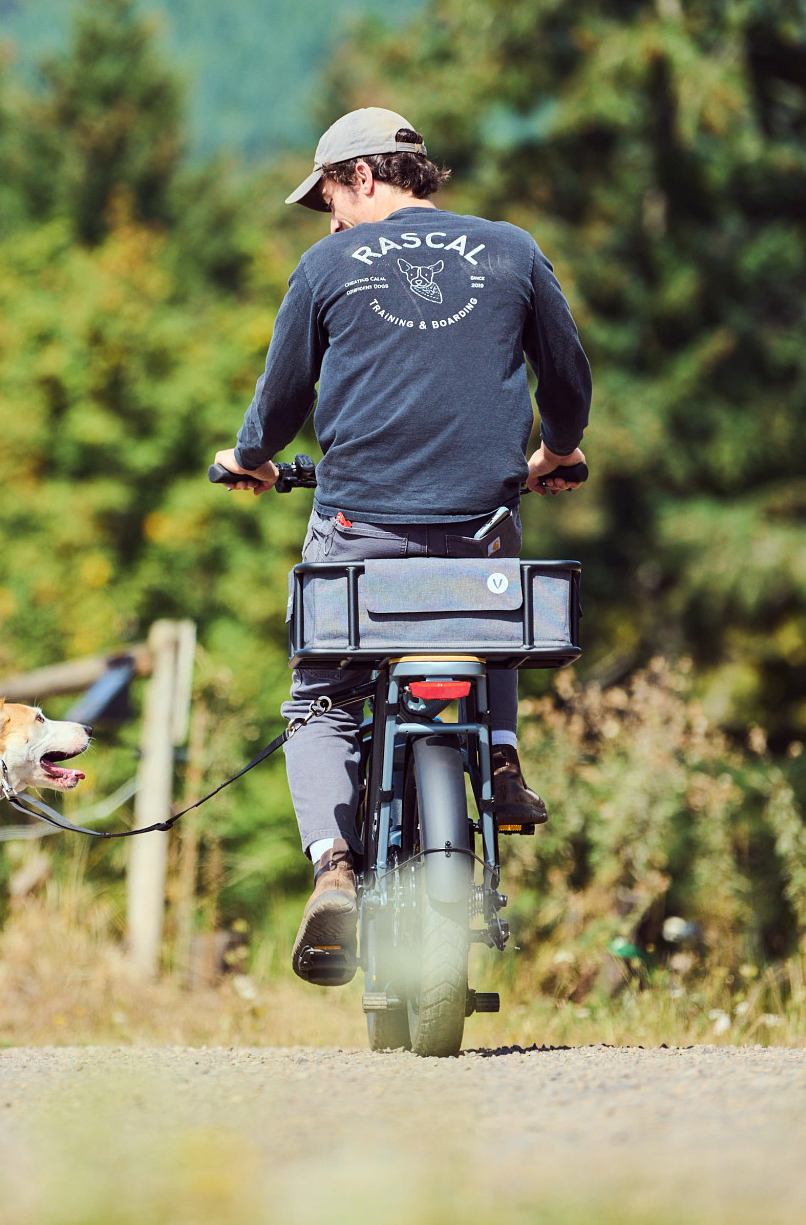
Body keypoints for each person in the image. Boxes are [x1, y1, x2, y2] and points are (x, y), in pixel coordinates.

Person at [214, 107, 593, 985]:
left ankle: (333, 870)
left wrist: (249, 460)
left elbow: (279, 400)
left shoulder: (328, 266)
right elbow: (567, 375)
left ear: (360, 177)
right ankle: (497, 758)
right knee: (489, 582)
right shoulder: (512, 249)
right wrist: (558, 450)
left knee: (320, 703)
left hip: (358, 531)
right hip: (477, 522)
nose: (331, 219)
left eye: (329, 200)